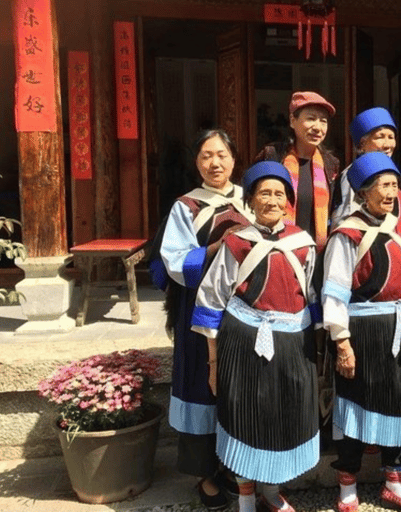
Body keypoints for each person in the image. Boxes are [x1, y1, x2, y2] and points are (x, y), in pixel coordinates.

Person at [191, 161, 320, 512]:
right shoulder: (236, 243)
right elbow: (210, 301)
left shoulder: (304, 244)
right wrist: (214, 362)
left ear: (289, 202)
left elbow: (312, 297)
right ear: (250, 200)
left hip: (291, 344)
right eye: (264, 192)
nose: (273, 200)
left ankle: (272, 490)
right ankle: (246, 494)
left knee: (282, 416)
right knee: (246, 416)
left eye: (280, 193)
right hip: (243, 344)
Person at [322, 152, 401, 512]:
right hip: (362, 330)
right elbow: (334, 291)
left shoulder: (400, 232)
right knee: (355, 403)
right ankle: (348, 485)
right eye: (383, 185)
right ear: (364, 192)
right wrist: (342, 342)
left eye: (395, 185)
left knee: (399, 401)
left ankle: (395, 482)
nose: (391, 192)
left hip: (399, 327)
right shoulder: (347, 234)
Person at [151, 129, 254, 511]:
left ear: (234, 159)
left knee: (236, 385)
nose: (215, 163)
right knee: (200, 383)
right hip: (197, 308)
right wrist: (219, 248)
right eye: (207, 156)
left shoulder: (251, 198)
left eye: (222, 155)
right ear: (197, 162)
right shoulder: (186, 207)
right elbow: (175, 262)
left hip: (243, 309)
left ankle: (233, 465)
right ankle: (203, 474)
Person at [255, 91, 340, 251]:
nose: (318, 127)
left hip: (317, 254)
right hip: (276, 249)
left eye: (323, 121)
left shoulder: (330, 164)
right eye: (310, 118)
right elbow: (253, 198)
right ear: (293, 121)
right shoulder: (273, 156)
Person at [330, 107, 401, 241]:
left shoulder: (390, 173)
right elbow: (344, 224)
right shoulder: (352, 175)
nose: (388, 145)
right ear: (362, 144)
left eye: (391, 137)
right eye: (380, 137)